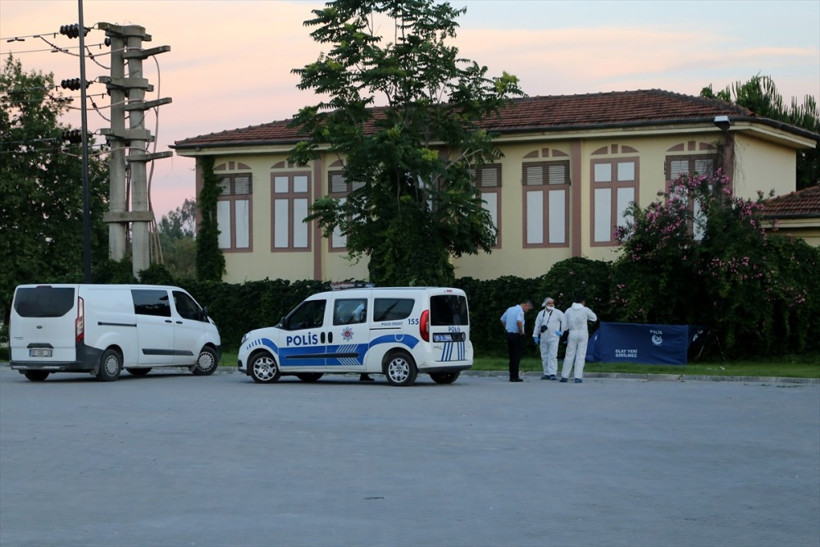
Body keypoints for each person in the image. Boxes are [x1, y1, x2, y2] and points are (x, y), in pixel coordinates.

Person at [560, 298, 597, 383]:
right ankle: (577, 377)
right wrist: (586, 318)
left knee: (569, 354)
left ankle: (564, 376)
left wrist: (563, 335)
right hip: (582, 333)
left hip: (572, 333)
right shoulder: (585, 310)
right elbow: (594, 318)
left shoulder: (568, 310)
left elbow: (564, 324)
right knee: (581, 355)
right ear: (583, 302)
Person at [500, 299, 534, 382]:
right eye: (528, 309)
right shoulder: (520, 311)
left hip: (509, 334)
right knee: (516, 356)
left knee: (511, 356)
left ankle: (512, 375)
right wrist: (521, 331)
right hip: (517, 335)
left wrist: (507, 328)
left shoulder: (510, 309)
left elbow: (502, 319)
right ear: (525, 305)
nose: (527, 311)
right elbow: (519, 321)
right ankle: (515, 376)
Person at [533, 297, 566, 380]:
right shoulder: (541, 313)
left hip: (554, 337)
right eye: (549, 303)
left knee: (552, 355)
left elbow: (565, 322)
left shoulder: (558, 312)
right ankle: (546, 373)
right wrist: (535, 335)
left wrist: (561, 332)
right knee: (544, 356)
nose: (551, 304)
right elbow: (537, 325)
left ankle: (552, 373)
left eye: (552, 303)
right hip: (543, 337)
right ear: (545, 304)